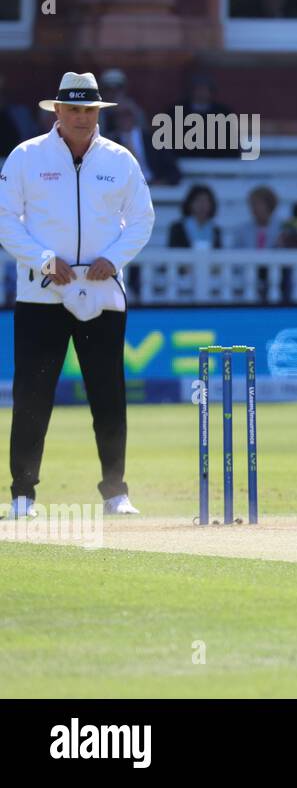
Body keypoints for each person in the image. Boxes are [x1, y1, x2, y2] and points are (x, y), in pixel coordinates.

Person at [0, 72, 155, 518]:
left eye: (89, 110)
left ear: (98, 113)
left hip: (102, 293)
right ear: (57, 112)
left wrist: (114, 258)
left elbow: (142, 219)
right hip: (42, 293)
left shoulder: (119, 159)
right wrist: (45, 260)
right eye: (74, 110)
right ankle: (22, 495)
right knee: (32, 396)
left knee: (108, 394)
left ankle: (115, 493)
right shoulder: (27, 156)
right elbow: (6, 219)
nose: (82, 118)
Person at [167, 184, 222, 248]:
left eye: (205, 201)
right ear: (190, 203)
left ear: (211, 205)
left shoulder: (216, 231)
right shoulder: (177, 228)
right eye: (198, 201)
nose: (202, 205)